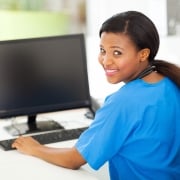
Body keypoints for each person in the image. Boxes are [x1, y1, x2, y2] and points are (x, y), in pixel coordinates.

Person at [12, 11, 180, 179]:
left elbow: (73, 159)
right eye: (103, 50)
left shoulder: (123, 102)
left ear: (143, 54)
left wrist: (34, 148)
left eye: (117, 53)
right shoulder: (170, 81)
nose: (106, 61)